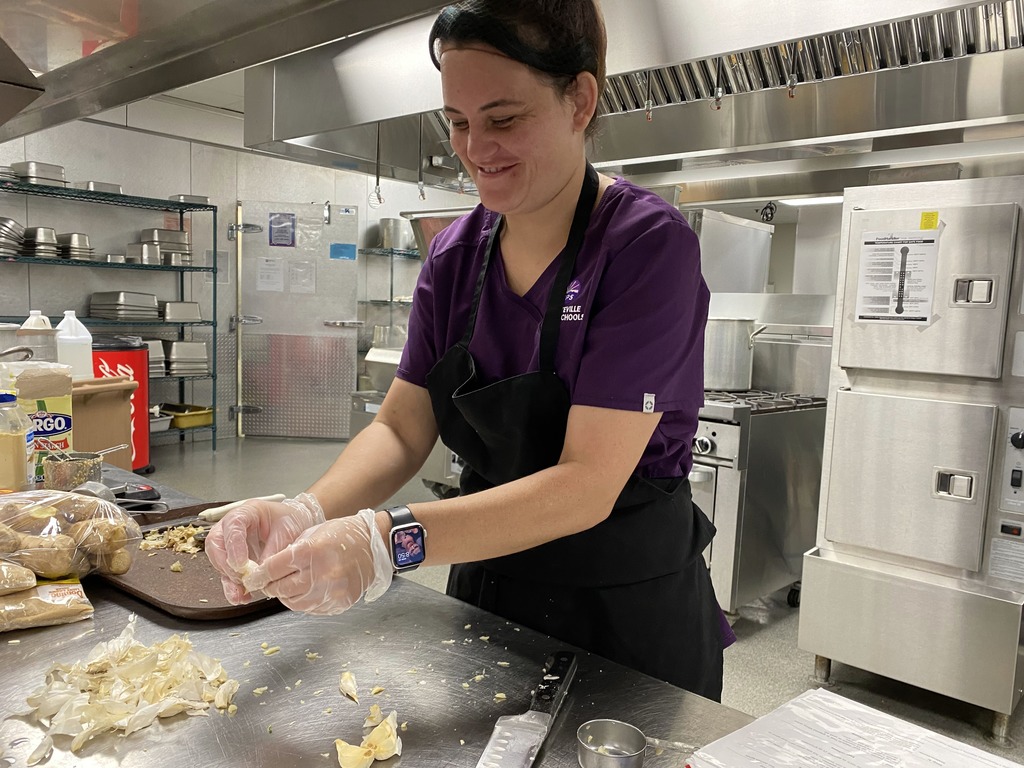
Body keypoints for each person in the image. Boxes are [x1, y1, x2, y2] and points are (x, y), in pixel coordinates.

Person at [206, 0, 725, 700]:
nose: (476, 148)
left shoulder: (644, 248)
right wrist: (308, 509)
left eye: (503, 118)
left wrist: (387, 542)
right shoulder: (454, 256)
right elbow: (400, 426)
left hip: (626, 614)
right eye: (457, 122)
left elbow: (585, 483)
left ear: (579, 99)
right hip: (490, 585)